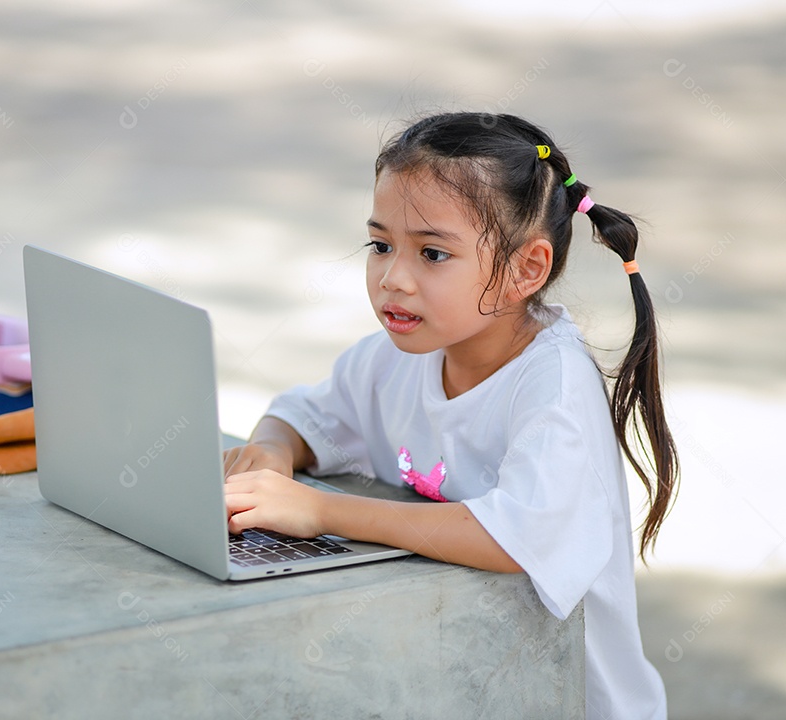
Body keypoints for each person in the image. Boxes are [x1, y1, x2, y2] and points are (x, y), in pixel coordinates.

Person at [223, 112, 678, 719]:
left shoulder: (553, 387)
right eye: (381, 245)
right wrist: (273, 455)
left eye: (432, 253)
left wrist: (322, 511)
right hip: (461, 685)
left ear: (527, 269)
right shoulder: (398, 357)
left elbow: (517, 537)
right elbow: (305, 415)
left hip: (566, 701)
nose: (393, 279)